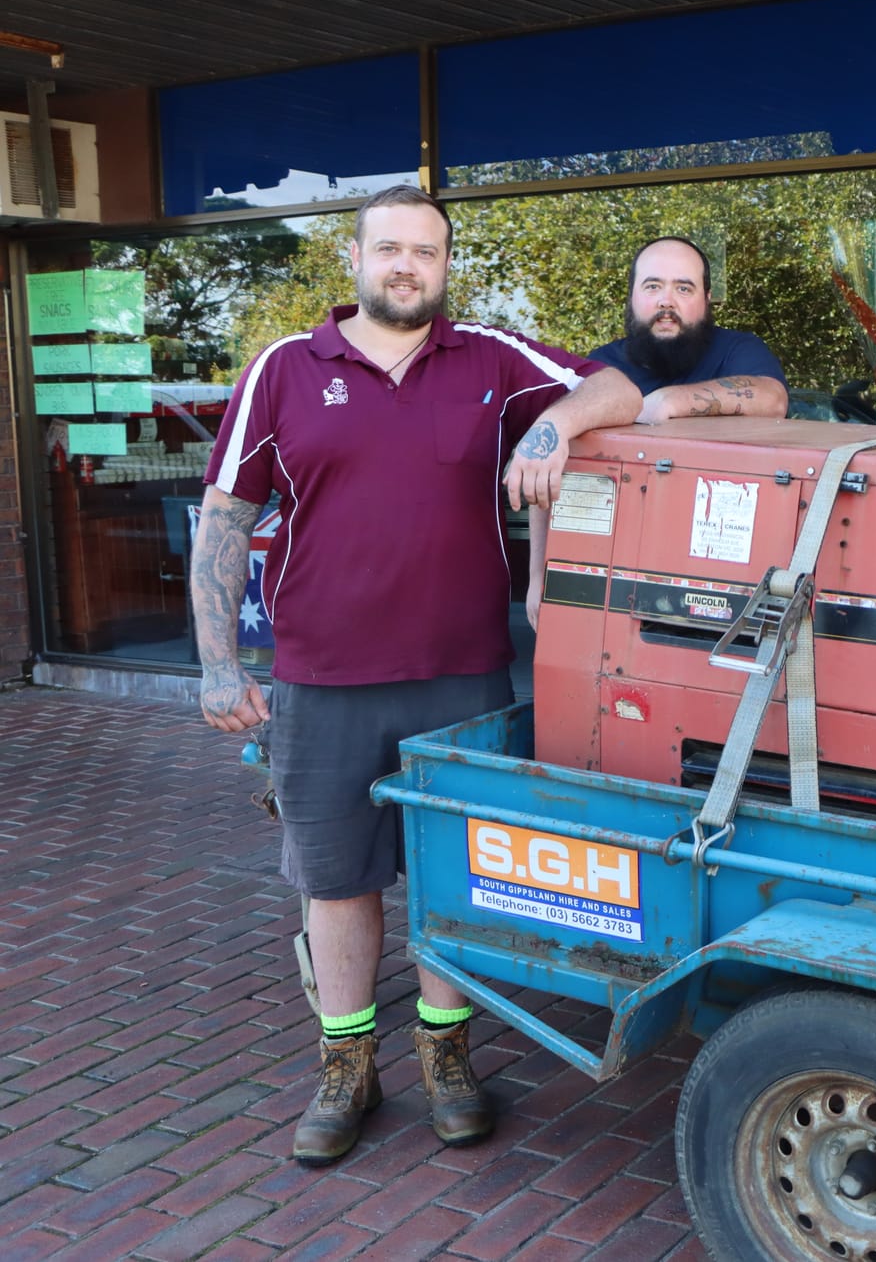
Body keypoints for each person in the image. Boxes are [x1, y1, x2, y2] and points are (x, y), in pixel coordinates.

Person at [190, 185, 644, 1166]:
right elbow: (226, 518)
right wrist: (219, 665)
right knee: (337, 879)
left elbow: (620, 389)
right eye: (389, 248)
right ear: (354, 260)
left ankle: (447, 1054)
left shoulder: (486, 357)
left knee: (451, 873)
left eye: (426, 252)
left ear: (445, 266)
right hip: (323, 679)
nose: (407, 266)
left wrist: (553, 425)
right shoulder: (283, 368)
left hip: (460, 676)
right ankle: (345, 1065)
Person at [585, 236, 788, 423]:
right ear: (631, 297)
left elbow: (773, 401)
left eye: (683, 289)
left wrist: (668, 401)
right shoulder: (601, 364)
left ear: (706, 299)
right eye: (653, 286)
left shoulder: (737, 350)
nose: (666, 302)